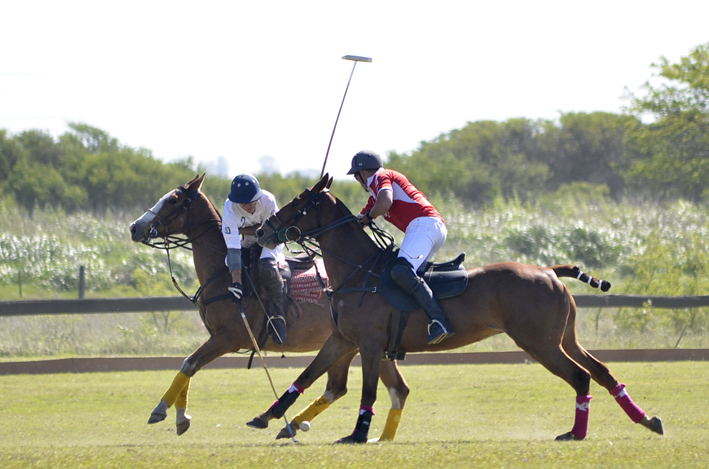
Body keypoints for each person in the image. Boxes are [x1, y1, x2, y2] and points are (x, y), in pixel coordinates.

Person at [347, 150, 454, 345]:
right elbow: (358, 223)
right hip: (430, 227)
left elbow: (385, 203)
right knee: (408, 277)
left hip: (424, 225)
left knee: (400, 270)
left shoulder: (380, 176)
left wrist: (370, 216)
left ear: (361, 173)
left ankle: (439, 321)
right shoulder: (374, 195)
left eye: (356, 177)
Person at [223, 174, 288, 345]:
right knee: (229, 265)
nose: (249, 206)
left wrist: (243, 230)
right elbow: (233, 248)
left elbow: (270, 232)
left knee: (266, 267)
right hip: (244, 242)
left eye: (252, 201)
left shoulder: (268, 201)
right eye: (244, 203)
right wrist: (236, 283)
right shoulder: (229, 209)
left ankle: (278, 317)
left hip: (271, 239)